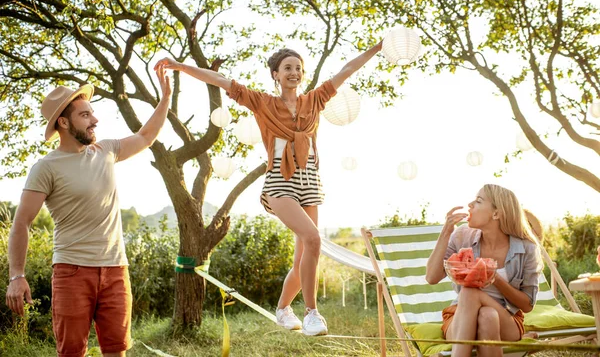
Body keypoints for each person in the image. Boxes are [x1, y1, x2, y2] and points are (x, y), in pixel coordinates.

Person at [154, 42, 382, 335]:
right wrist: (181, 66)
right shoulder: (263, 103)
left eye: (298, 68)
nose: (294, 73)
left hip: (310, 181)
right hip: (280, 182)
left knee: (303, 257)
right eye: (288, 68)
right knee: (313, 239)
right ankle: (312, 312)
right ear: (275, 74)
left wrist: (378, 47)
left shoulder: (315, 100)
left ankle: (283, 309)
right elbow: (220, 80)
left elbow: (346, 70)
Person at [5, 66, 173, 357]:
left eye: (92, 113)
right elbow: (21, 222)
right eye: (85, 115)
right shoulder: (46, 167)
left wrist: (166, 97)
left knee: (116, 350)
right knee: (71, 352)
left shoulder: (106, 151)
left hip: (116, 269)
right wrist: (16, 275)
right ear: (64, 123)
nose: (95, 120)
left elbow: (146, 137)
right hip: (71, 271)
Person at [425, 184, 542, 357]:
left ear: (496, 213)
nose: (470, 204)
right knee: (487, 316)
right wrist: (446, 232)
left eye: (478, 201)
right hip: (459, 319)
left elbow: (527, 305)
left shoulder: (527, 249)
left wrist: (494, 278)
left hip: (507, 320)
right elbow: (431, 277)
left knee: (469, 292)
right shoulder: (462, 236)